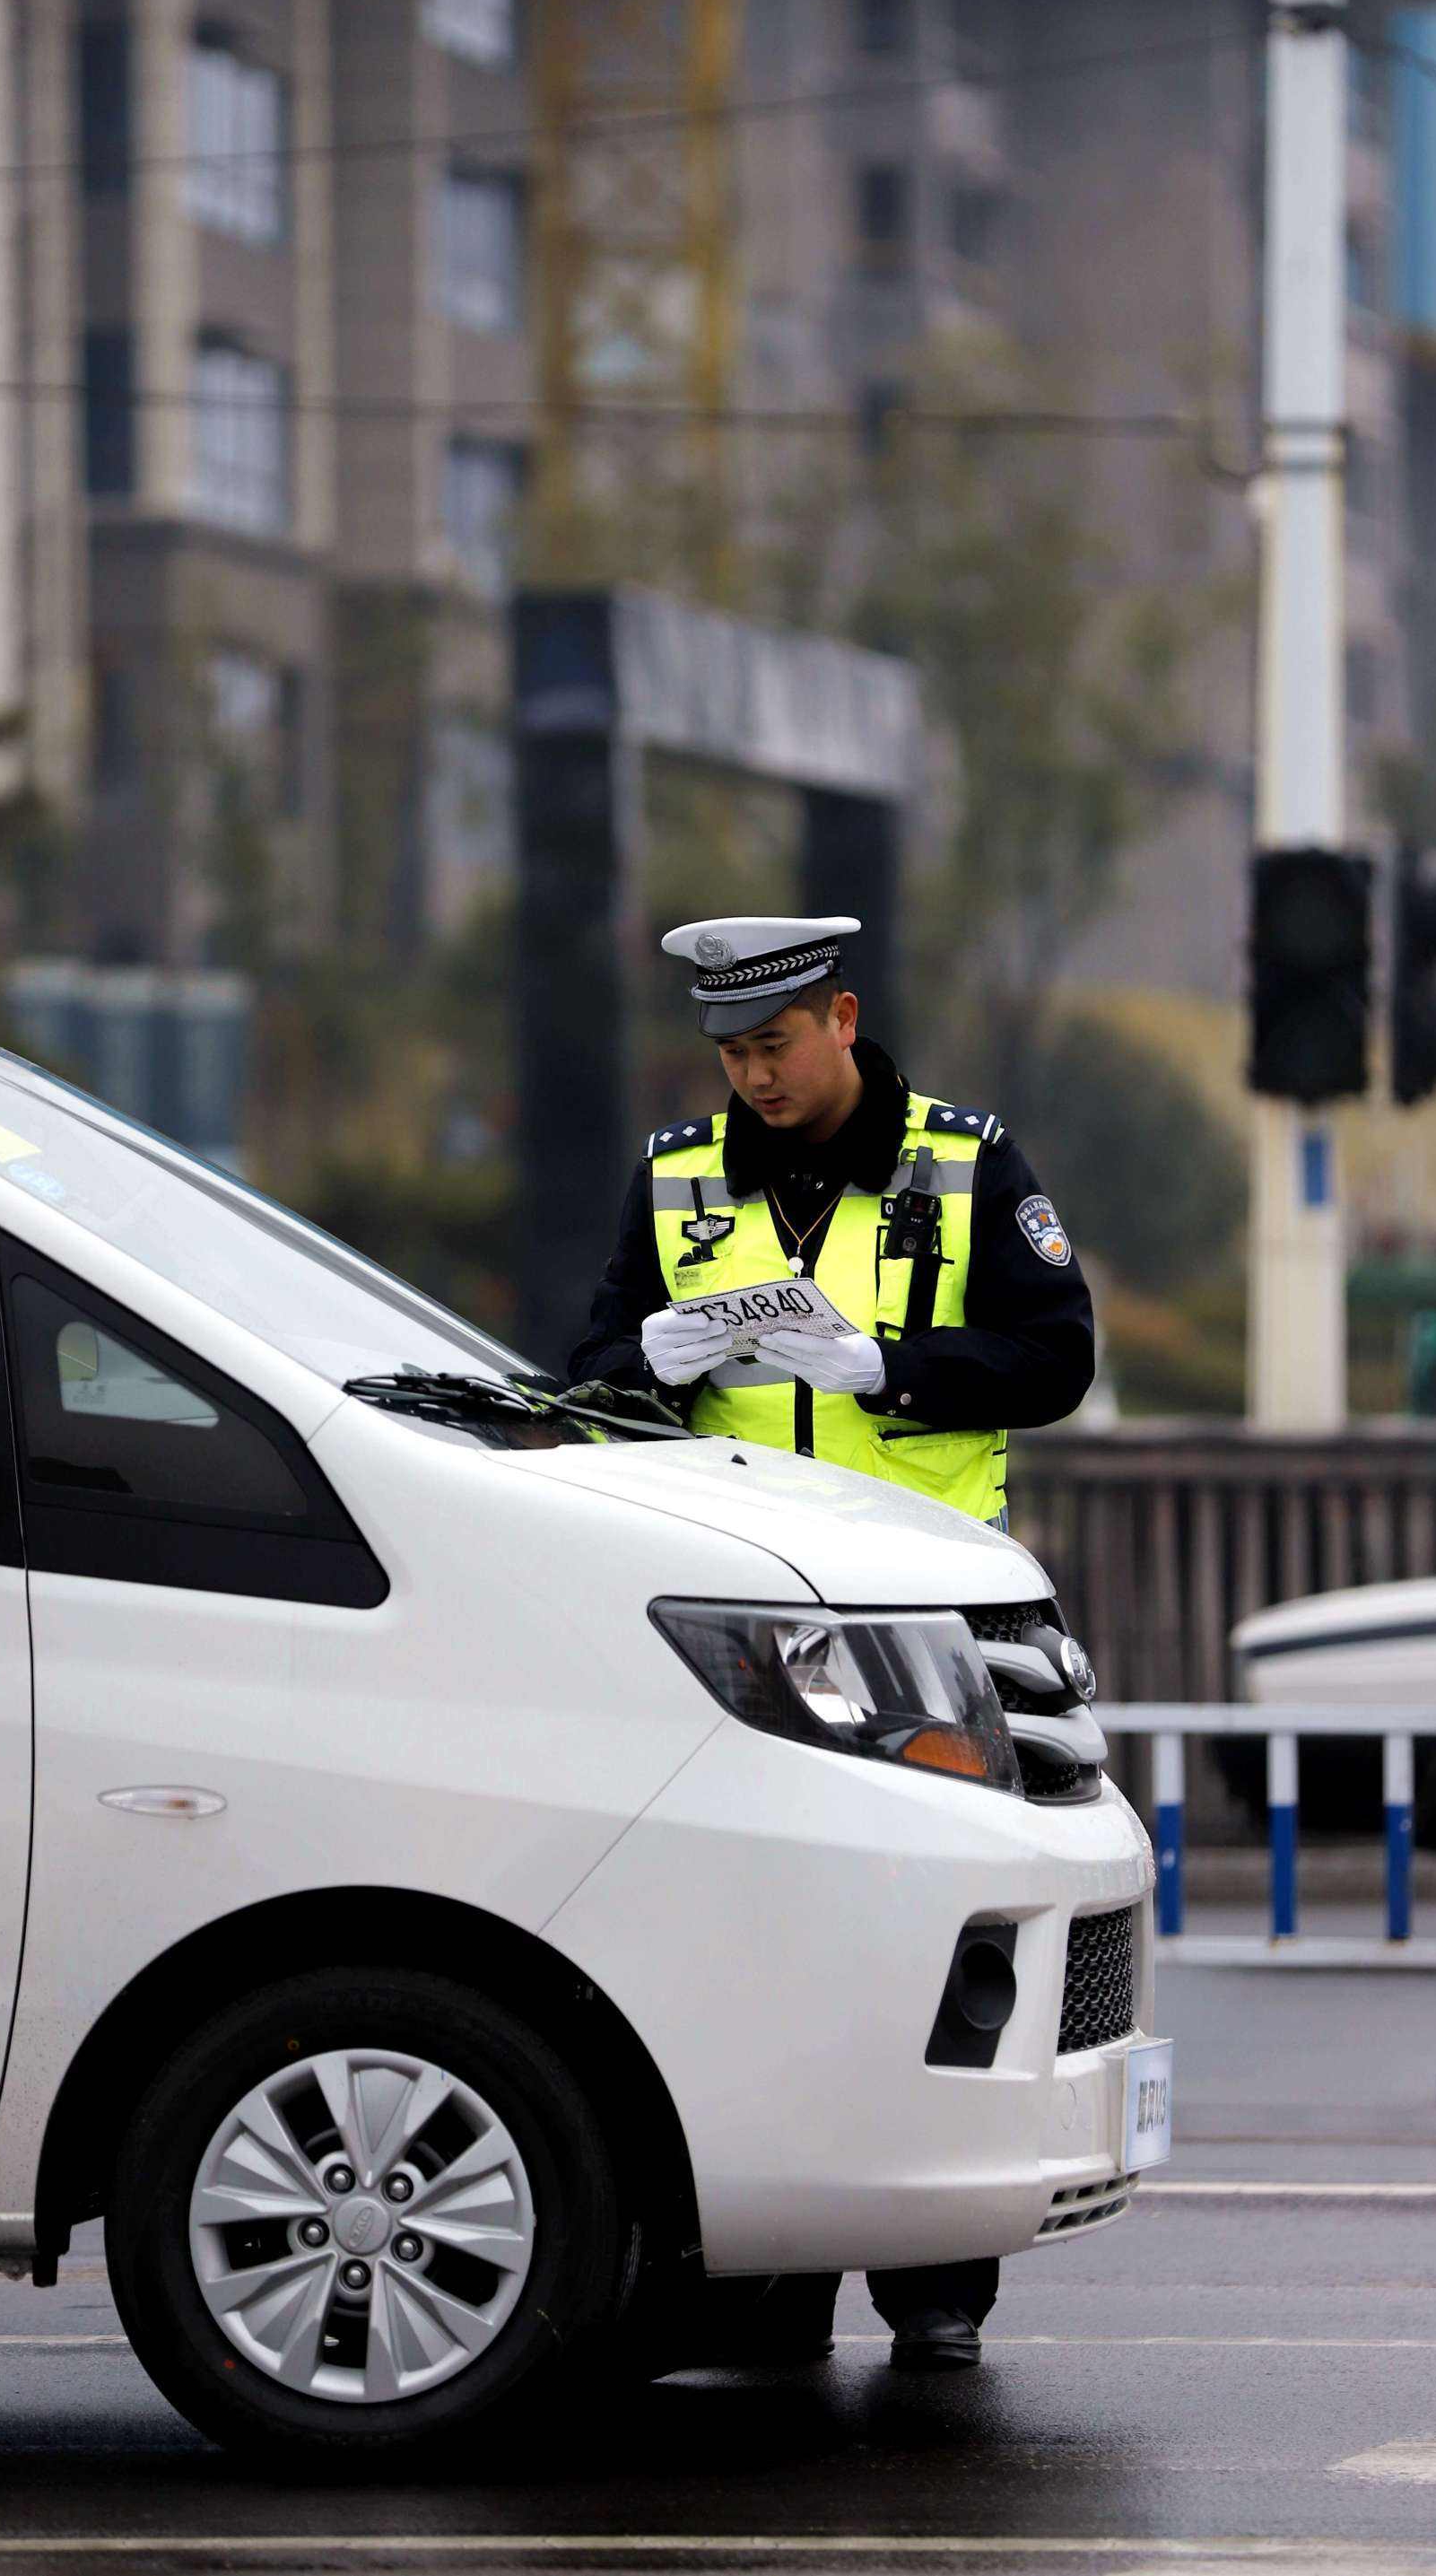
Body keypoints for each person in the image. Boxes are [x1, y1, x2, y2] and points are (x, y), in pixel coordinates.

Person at [568, 913, 1095, 2372]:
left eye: (777, 1047)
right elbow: (587, 1374)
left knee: (927, 1938)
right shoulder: (676, 1178)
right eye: (733, 1053)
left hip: (924, 1618)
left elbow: (1060, 1354)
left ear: (843, 1019)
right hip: (737, 1619)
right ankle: (762, 2279)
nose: (756, 1079)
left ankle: (936, 2282)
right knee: (748, 1934)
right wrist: (645, 1366)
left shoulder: (970, 1161)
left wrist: (896, 1372)